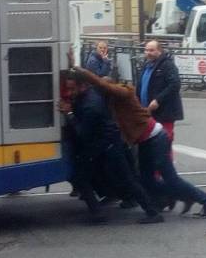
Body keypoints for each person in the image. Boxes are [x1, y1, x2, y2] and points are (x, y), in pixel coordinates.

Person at [70, 62, 206, 218]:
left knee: (170, 178)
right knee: (146, 180)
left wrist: (82, 71)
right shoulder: (111, 102)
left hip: (156, 138)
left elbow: (101, 85)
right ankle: (180, 196)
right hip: (146, 140)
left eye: (105, 88)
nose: (100, 92)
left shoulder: (123, 93)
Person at [60, 71, 163, 224]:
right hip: (105, 144)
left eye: (72, 89)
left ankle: (151, 212)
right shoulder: (88, 95)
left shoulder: (91, 105)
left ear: (82, 86)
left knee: (125, 180)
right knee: (89, 177)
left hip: (107, 146)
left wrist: (69, 113)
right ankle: (100, 213)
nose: (70, 93)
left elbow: (83, 131)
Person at [136, 40, 183, 155]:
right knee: (151, 143)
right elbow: (140, 86)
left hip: (164, 112)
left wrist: (158, 100)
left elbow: (175, 84)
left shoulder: (167, 65)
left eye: (152, 50)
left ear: (159, 51)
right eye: (146, 50)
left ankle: (165, 170)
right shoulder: (146, 65)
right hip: (148, 112)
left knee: (164, 142)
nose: (148, 53)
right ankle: (155, 170)